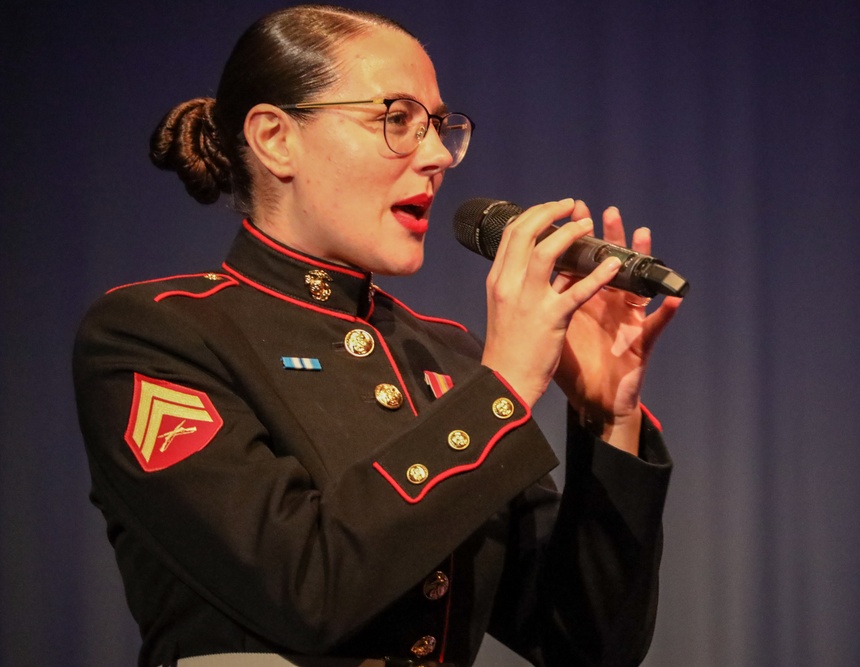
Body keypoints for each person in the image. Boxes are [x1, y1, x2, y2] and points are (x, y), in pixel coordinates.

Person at [73, 5, 682, 667]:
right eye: (397, 119)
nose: (435, 157)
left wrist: (605, 416)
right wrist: (503, 386)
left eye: (441, 127)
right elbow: (303, 590)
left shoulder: (443, 353)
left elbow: (587, 646)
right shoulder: (158, 332)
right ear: (277, 138)